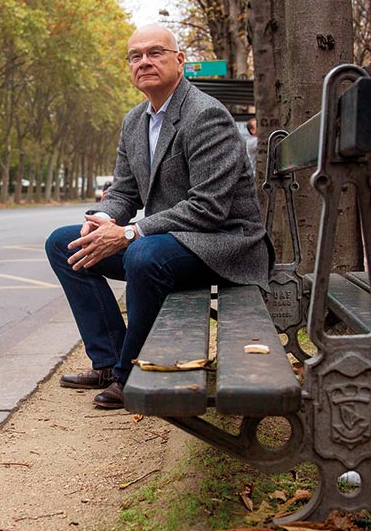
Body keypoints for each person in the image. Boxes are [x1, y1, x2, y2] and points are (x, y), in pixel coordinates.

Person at [45, 24, 273, 410]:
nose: (144, 62)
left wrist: (131, 233)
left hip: (225, 243)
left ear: (179, 61)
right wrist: (100, 218)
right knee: (63, 243)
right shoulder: (134, 121)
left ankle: (129, 373)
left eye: (155, 53)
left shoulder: (205, 115)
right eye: (136, 56)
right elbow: (124, 191)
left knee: (142, 255)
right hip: (172, 241)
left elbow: (209, 207)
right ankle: (108, 360)